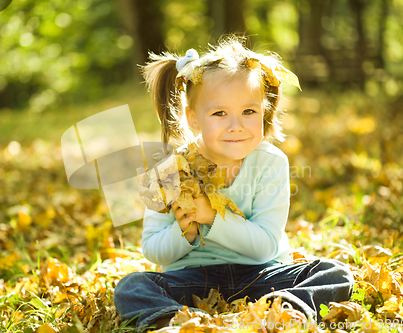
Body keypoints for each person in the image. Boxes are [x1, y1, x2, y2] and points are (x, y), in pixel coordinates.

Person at [113, 36, 353, 332]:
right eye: (219, 113)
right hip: (191, 280)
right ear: (193, 118)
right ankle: (176, 323)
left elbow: (265, 247)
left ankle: (283, 315)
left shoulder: (270, 162)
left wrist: (211, 217)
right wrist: (185, 231)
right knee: (132, 287)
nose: (236, 125)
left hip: (262, 276)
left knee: (334, 273)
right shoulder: (169, 170)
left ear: (263, 111)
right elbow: (153, 249)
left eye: (248, 111)